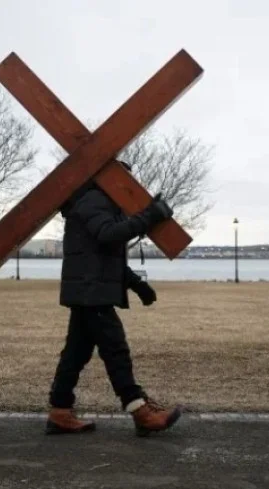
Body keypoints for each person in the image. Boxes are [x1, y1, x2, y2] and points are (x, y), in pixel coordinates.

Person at [46, 166, 183, 437]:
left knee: (76, 353)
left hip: (88, 290)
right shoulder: (94, 198)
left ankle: (60, 411)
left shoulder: (98, 201)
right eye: (125, 178)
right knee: (115, 349)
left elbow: (105, 256)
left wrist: (137, 285)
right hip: (91, 292)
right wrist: (151, 215)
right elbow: (108, 234)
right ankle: (140, 411)